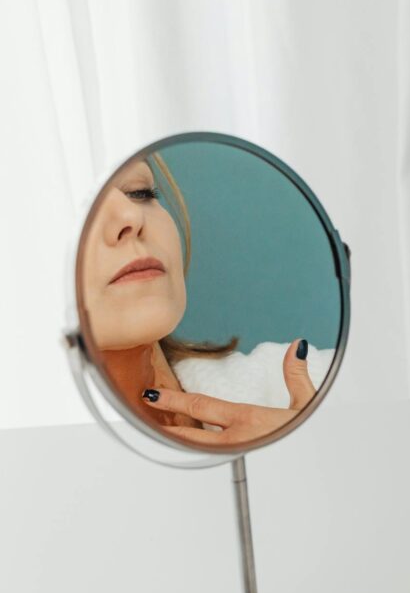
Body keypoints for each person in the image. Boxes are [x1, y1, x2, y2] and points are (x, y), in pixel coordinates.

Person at [79, 154, 331, 447]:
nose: (132, 216)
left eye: (140, 192)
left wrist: (319, 448)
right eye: (81, 210)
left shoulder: (310, 387)